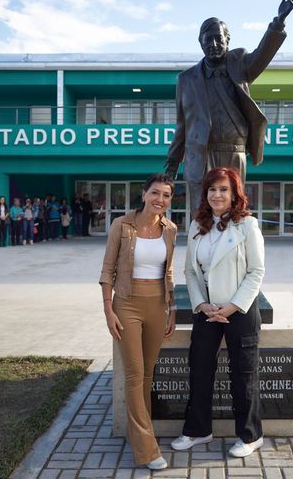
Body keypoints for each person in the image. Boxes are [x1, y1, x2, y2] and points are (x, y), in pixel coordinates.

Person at [165, 0, 293, 213]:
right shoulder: (186, 79)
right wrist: (172, 162)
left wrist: (278, 22)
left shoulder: (241, 66)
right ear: (200, 43)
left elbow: (263, 54)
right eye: (208, 40)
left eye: (219, 39)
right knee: (202, 213)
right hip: (201, 153)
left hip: (234, 151)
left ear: (228, 41)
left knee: (233, 210)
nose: (213, 45)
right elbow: (183, 125)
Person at [171, 167, 266, 458]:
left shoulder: (247, 225)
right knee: (200, 370)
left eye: (224, 189)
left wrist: (232, 306)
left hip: (240, 310)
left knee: (243, 374)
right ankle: (198, 430)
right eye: (212, 189)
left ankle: (250, 436)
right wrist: (201, 304)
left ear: (235, 193)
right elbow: (190, 271)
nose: (217, 194)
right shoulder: (197, 225)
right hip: (207, 311)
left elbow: (256, 271)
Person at [99, 173, 178, 470]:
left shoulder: (170, 229)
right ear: (144, 194)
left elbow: (168, 272)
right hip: (127, 304)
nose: (160, 200)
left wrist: (172, 308)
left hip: (157, 305)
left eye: (166, 195)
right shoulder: (121, 225)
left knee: (147, 375)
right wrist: (108, 309)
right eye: (155, 193)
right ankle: (147, 449)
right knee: (134, 374)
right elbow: (107, 269)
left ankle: (139, 434)